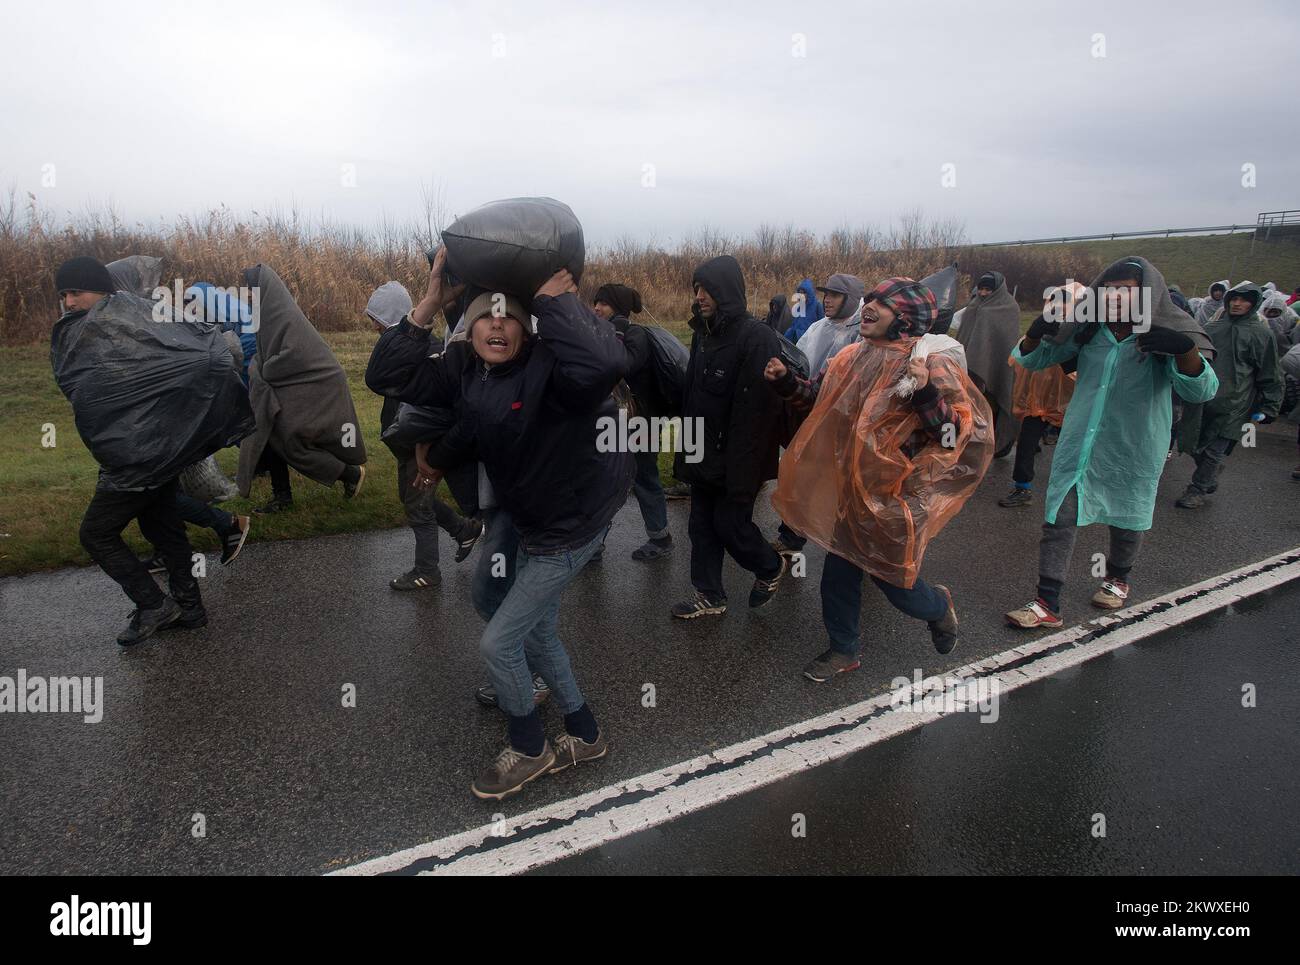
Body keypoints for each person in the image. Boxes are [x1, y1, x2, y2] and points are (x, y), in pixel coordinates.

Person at [373, 250, 632, 800]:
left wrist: (556, 303)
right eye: (484, 315)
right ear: (469, 329)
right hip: (529, 515)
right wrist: (429, 304)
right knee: (522, 623)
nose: (495, 322)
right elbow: (389, 376)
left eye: (508, 315)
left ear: (525, 327)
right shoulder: (467, 367)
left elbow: (606, 364)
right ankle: (584, 734)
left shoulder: (553, 373)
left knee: (499, 643)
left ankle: (531, 747)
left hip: (571, 523)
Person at [767, 277, 994, 681]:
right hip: (850, 490)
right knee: (838, 576)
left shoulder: (929, 364)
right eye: (869, 299)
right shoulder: (853, 356)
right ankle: (844, 650)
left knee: (893, 582)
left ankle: (938, 606)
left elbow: (953, 434)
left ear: (906, 317)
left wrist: (924, 393)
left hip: (894, 495)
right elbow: (819, 400)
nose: (868, 306)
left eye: (881, 303)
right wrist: (787, 382)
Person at [1005, 257, 1218, 629]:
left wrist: (1185, 351)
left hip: (1133, 445)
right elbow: (1033, 360)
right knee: (1059, 518)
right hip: (1080, 443)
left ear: (1147, 296)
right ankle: (1047, 602)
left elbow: (1202, 390)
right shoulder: (1086, 331)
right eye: (1110, 291)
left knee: (1126, 517)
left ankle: (1117, 578)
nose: (1117, 299)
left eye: (1128, 293)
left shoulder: (1161, 334)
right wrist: (1036, 333)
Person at [51, 257, 253, 645]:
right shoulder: (120, 318)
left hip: (136, 457)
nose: (70, 302)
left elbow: (206, 354)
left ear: (101, 290)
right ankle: (190, 608)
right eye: (63, 295)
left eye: (77, 292)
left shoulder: (117, 317)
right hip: (151, 449)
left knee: (96, 534)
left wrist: (178, 415)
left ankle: (153, 604)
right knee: (161, 525)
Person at [671, 255, 787, 618]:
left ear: (727, 291)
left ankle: (770, 567)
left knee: (730, 526)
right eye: (696, 289)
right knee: (700, 526)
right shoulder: (702, 334)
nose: (700, 296)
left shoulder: (757, 337)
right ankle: (710, 594)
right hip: (702, 452)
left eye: (707, 289)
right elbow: (692, 397)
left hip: (739, 458)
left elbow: (756, 416)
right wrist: (685, 453)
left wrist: (742, 477)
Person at [365, 281, 482, 589]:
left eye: (375, 318)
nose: (373, 325)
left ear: (388, 315)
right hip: (407, 446)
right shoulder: (400, 347)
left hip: (422, 446)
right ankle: (464, 529)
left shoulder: (425, 351)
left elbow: (431, 411)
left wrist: (422, 451)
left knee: (418, 507)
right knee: (410, 498)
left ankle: (427, 571)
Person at [235, 264, 368, 511]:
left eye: (251, 290)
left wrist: (262, 370)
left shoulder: (281, 314)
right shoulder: (268, 313)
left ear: (263, 289)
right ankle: (283, 496)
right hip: (296, 386)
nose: (248, 295)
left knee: (291, 442)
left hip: (316, 386)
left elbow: (293, 354)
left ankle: (348, 474)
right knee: (275, 436)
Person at [771, 273, 867, 556]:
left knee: (851, 489)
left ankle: (860, 546)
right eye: (826, 294)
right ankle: (790, 539)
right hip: (813, 412)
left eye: (835, 295)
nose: (828, 300)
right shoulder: (818, 327)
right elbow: (801, 358)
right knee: (803, 479)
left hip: (850, 425)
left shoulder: (865, 330)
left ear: (850, 298)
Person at [1175, 281, 1282, 509]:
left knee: (1215, 450)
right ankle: (1210, 473)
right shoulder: (1213, 328)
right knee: (1193, 444)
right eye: (1234, 298)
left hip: (1237, 403)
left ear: (1253, 303)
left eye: (1243, 300)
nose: (1237, 303)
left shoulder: (1262, 335)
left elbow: (1270, 371)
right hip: (1205, 398)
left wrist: (1270, 406)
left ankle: (1198, 489)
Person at [592, 282, 674, 561]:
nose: (596, 308)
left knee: (644, 476)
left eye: (602, 303)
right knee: (606, 479)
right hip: (616, 420)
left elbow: (623, 366)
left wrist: (612, 336)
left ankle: (660, 538)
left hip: (641, 421)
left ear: (616, 305)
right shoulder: (607, 332)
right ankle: (593, 544)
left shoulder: (634, 333)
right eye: (595, 303)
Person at [998, 284, 1082, 508]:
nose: (1059, 307)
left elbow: (1084, 373)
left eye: (1066, 302)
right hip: (1038, 402)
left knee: (1076, 448)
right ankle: (1022, 487)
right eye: (1055, 302)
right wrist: (1035, 340)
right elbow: (1017, 360)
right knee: (1026, 442)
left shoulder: (1082, 337)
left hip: (1069, 404)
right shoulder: (1039, 329)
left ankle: (1076, 490)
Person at [955, 270, 1022, 454]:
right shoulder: (973, 306)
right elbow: (964, 337)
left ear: (998, 289)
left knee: (988, 411)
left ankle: (988, 447)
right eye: (981, 288)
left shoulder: (1009, 308)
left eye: (988, 289)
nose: (983, 293)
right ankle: (967, 447)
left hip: (994, 370)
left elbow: (1006, 342)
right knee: (967, 410)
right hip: (967, 370)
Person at [782, 277, 825, 343]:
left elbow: (822, 325)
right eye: (800, 293)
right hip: (796, 338)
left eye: (804, 293)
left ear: (809, 293)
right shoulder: (799, 306)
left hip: (809, 340)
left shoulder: (817, 305)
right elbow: (794, 323)